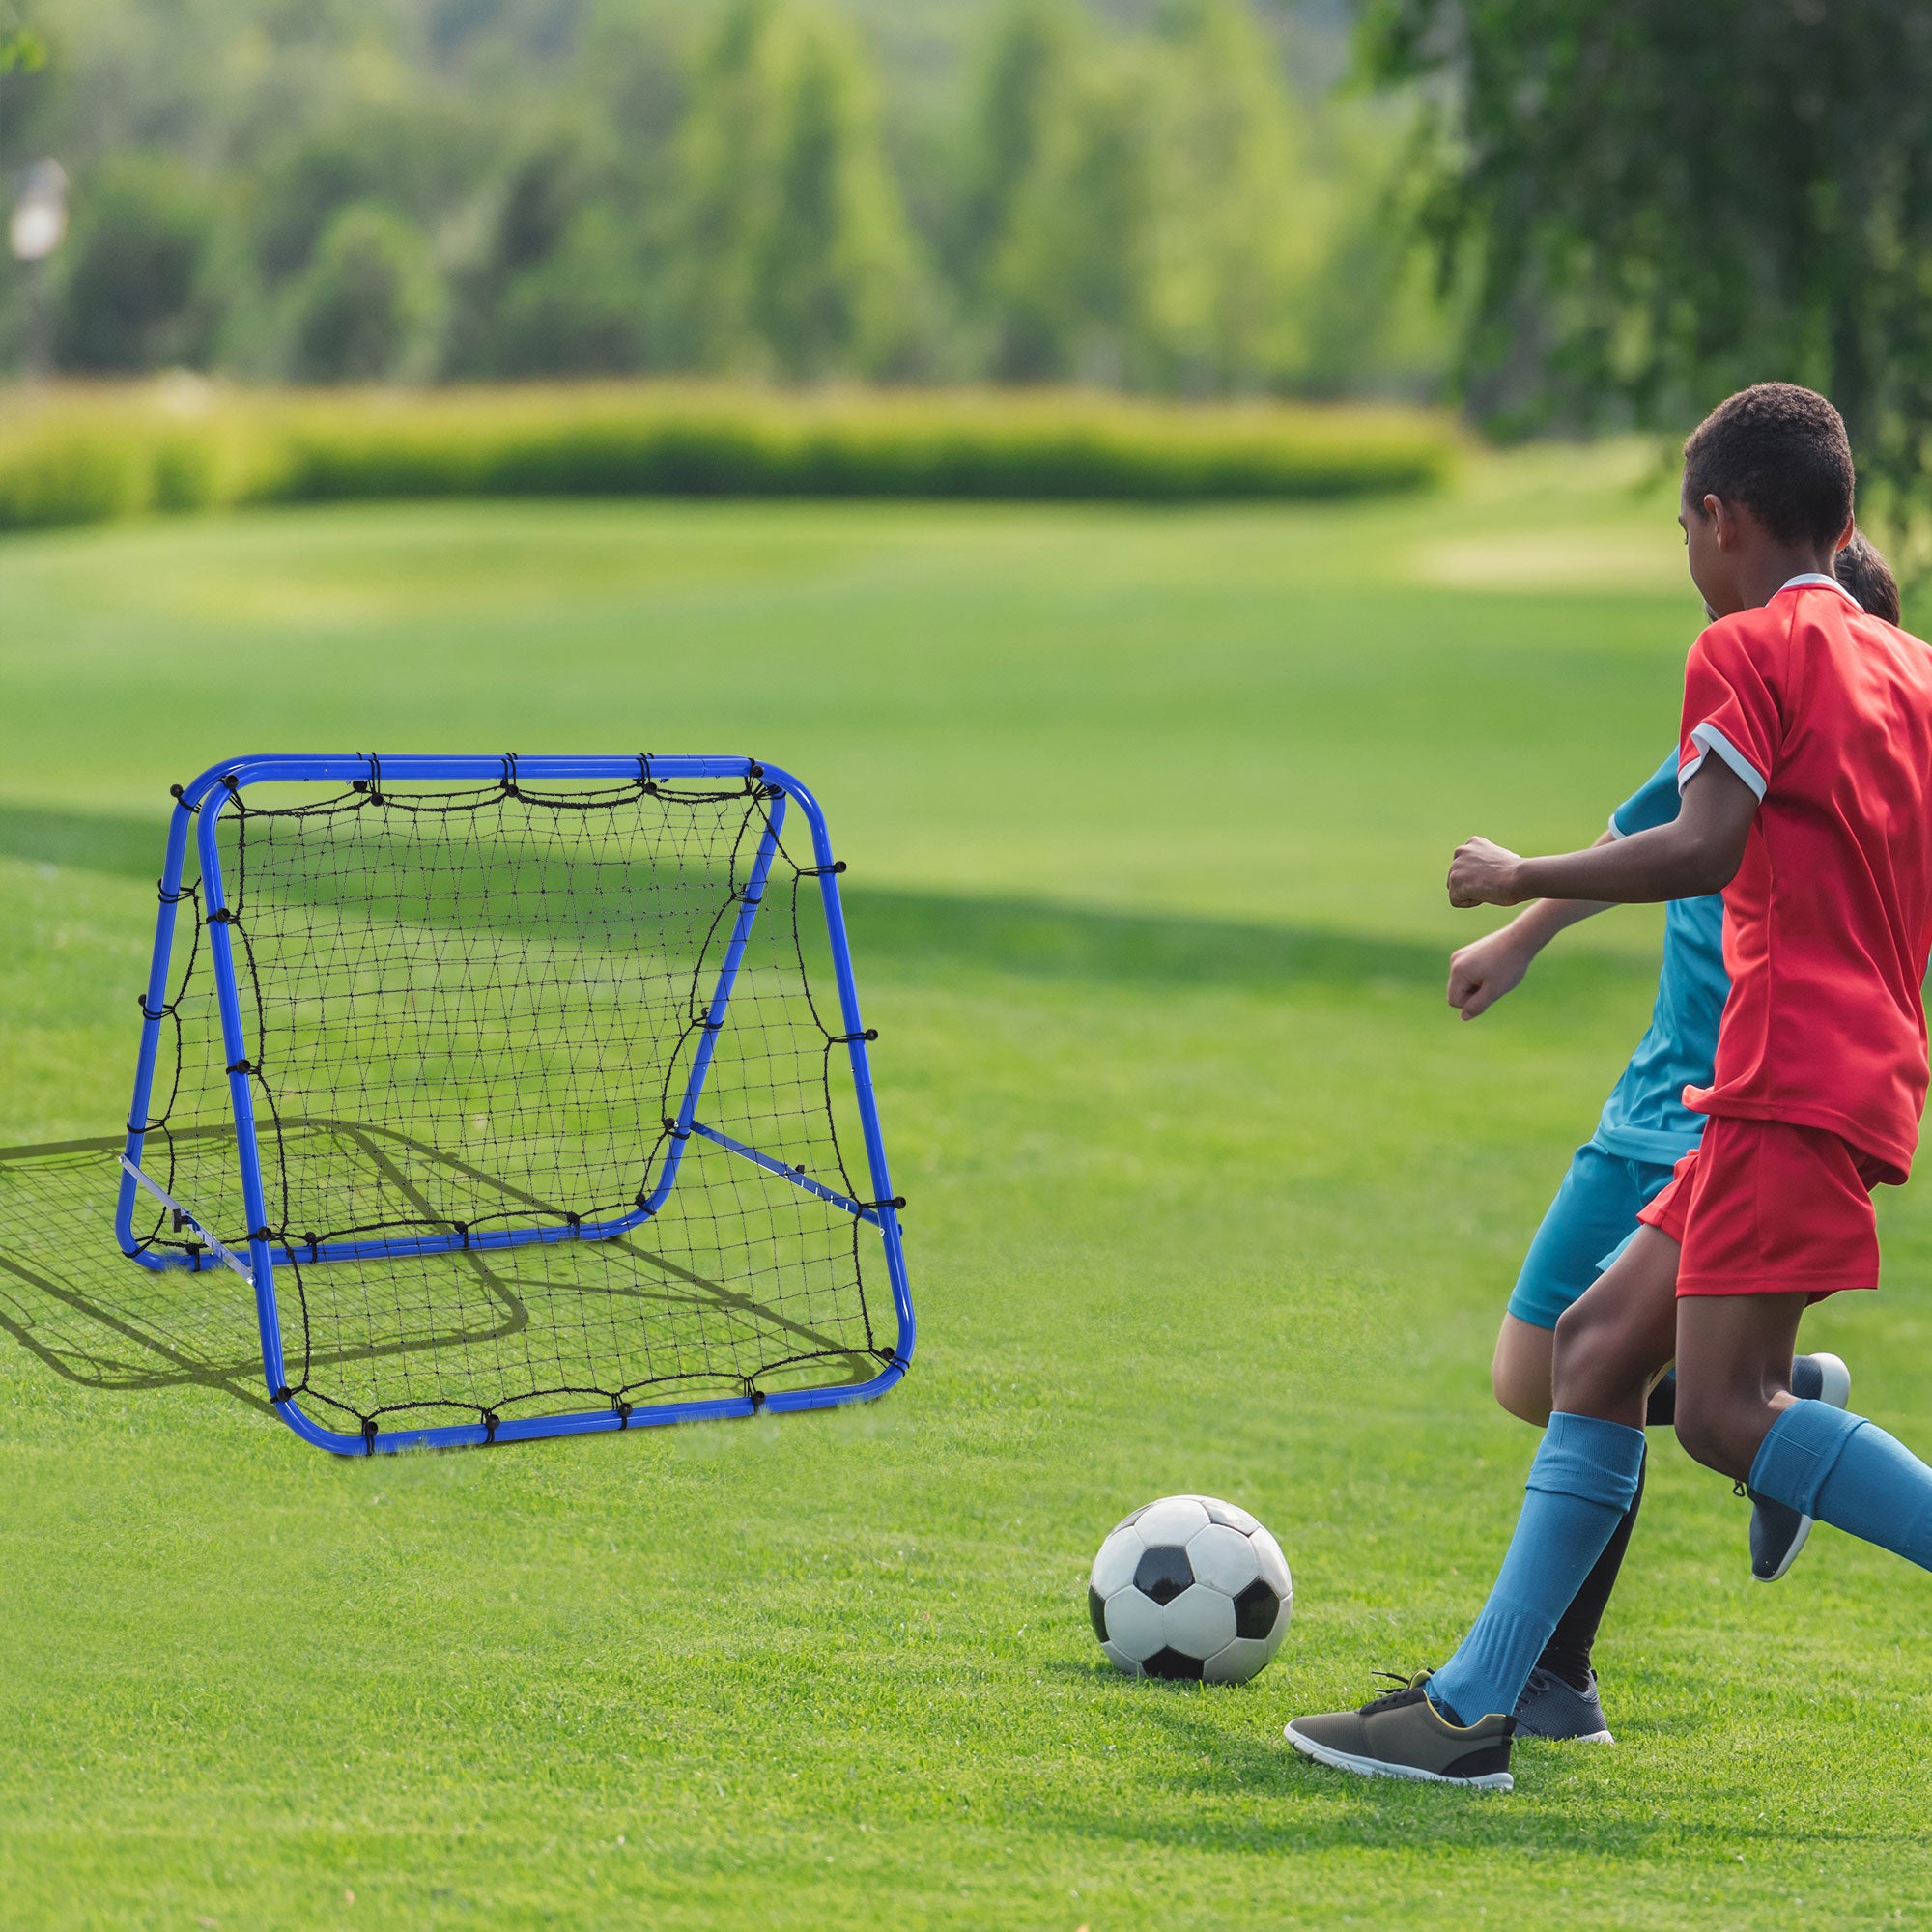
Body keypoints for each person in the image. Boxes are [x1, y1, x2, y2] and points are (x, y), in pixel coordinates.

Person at [1287, 383, 1932, 1792]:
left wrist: (1519, 876)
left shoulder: (1743, 648)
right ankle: (1476, 1712)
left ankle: (1488, 1706)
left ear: (1722, 518)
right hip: (1843, 1077)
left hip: (1781, 1073)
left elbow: (1703, 844)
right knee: (1590, 1353)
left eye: (1686, 530)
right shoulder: (1913, 669)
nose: (1689, 557)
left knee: (1725, 1413)